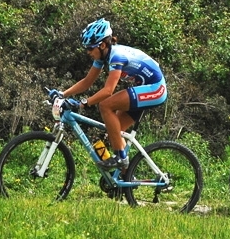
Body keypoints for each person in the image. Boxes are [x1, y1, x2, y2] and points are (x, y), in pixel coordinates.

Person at [50, 18, 167, 170]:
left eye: (90, 48)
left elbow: (108, 91)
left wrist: (82, 103)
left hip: (156, 89)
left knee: (105, 105)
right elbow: (87, 81)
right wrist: (62, 94)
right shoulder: (103, 55)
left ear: (102, 45)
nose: (88, 52)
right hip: (145, 87)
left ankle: (121, 158)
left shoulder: (116, 56)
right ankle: (125, 181)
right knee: (114, 134)